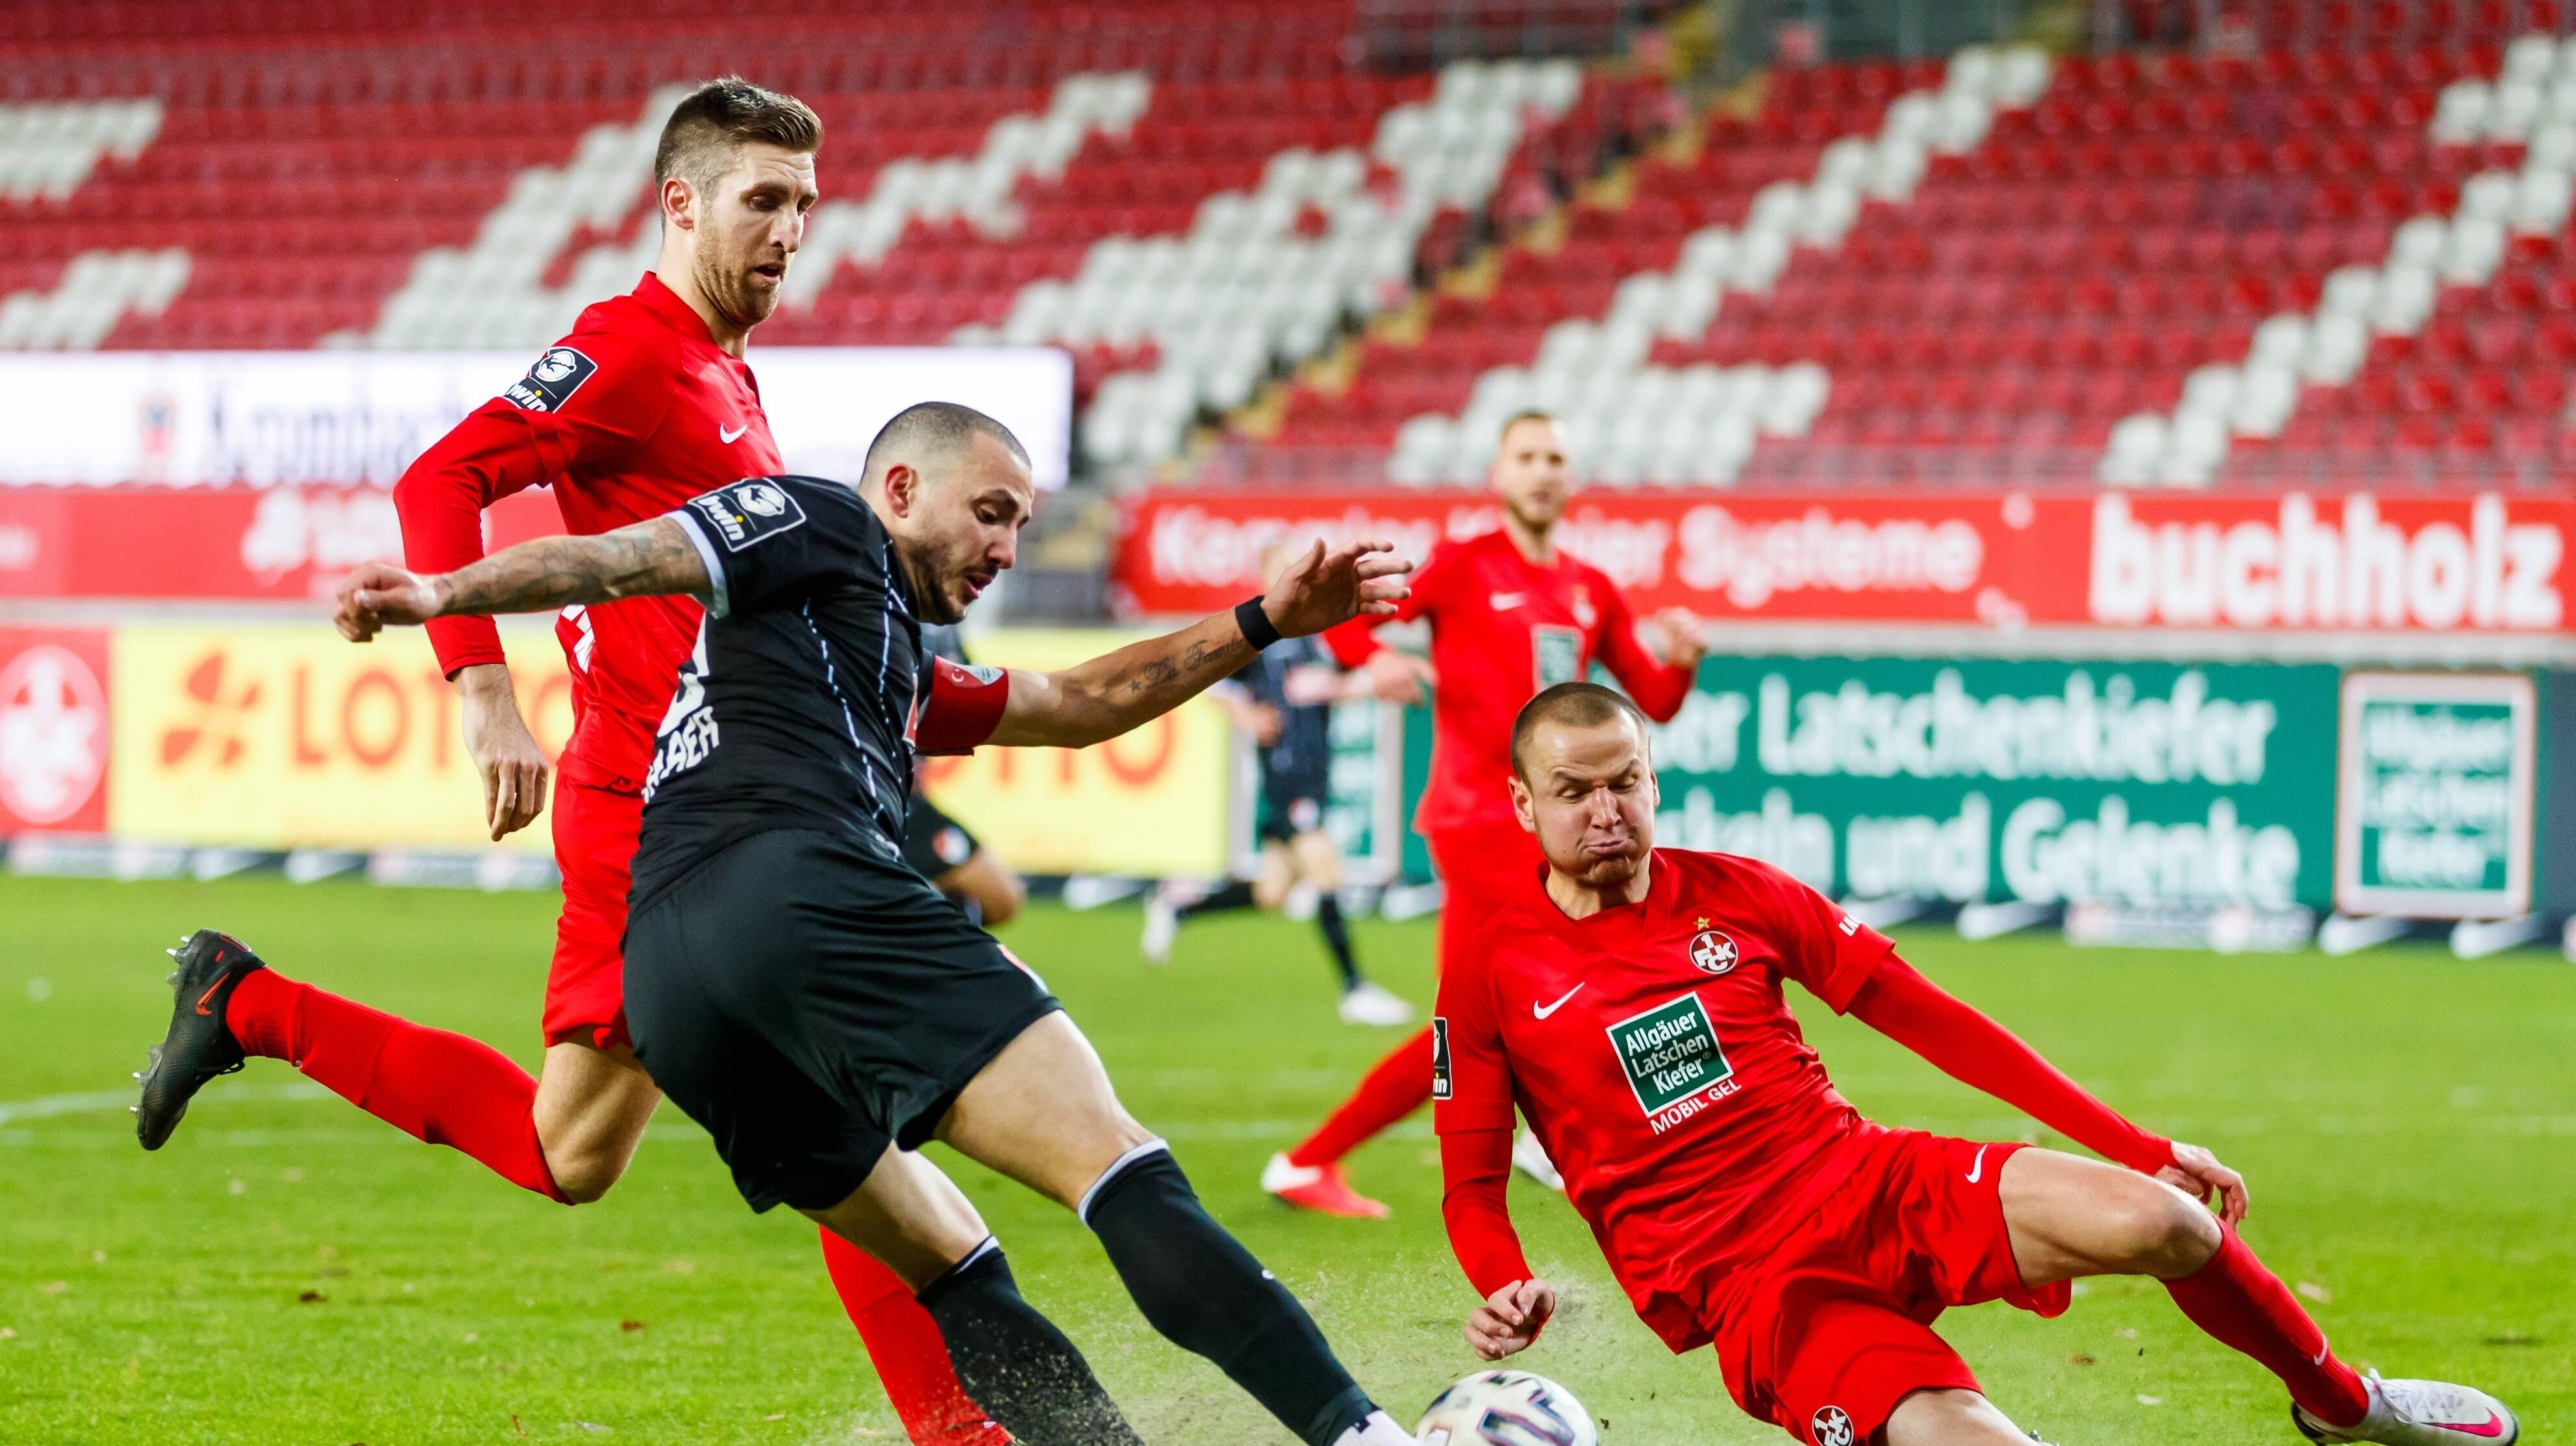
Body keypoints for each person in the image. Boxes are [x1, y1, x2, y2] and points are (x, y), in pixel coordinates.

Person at [130, 79, 1004, 1446]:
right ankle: (961, 1428)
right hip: (656, 806)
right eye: (762, 202)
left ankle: (247, 1004)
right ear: (681, 203)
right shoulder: (636, 352)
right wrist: (484, 691)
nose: (790, 232)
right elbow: (440, 479)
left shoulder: (729, 373)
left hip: (699, 799)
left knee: (572, 1152)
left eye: (805, 208)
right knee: (837, 1096)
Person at [304, 405, 1429, 1446]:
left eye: (1023, 526)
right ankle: (1361, 1434)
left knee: (951, 1266)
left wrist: (1263, 622)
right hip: (796, 893)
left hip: (674, 985)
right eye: (990, 512)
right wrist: (449, 598)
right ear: (898, 487)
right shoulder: (824, 519)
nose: (1007, 548)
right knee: (1121, 1170)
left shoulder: (875, 651)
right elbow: (622, 557)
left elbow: (1079, 703)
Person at [1435, 681, 2520, 1446]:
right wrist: (1502, 1284)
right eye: (1574, 792)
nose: (1606, 811)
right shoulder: (1491, 967)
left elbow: (1937, 1022)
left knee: (2166, 1219)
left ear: (1654, 779)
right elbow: (1473, 1185)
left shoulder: (1742, 892)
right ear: (1527, 805)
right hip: (1760, 1288)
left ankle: (2342, 1403)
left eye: (1624, 781)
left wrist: (2142, 1148)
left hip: (1869, 1179)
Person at [1263, 408, 1708, 1218]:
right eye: (1527, 456)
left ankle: (1318, 1159)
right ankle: (1575, 1146)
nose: (1542, 470)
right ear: (1500, 475)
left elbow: (1653, 701)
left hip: (1550, 829)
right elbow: (1353, 625)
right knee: (1589, 979)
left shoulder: (1588, 586)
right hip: (1477, 820)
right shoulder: (1465, 565)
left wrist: (1683, 659)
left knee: (1479, 1018)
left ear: (1571, 480)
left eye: (1555, 458)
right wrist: (1383, 661)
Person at [1141, 541, 1413, 1027]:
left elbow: (1348, 681)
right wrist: (1245, 713)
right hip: (1286, 776)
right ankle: (1354, 988)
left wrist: (1348, 686)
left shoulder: (1318, 636)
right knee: (1325, 867)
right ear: (1265, 575)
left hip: (1314, 772)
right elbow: (1206, 679)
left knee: (1272, 893)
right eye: (1281, 568)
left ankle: (1176, 907)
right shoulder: (1255, 634)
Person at [905, 623, 1025, 927]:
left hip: (908, 805)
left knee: (1003, 898)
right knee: (1000, 897)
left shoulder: (942, 628)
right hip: (873, 799)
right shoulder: (886, 618)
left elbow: (967, 693)